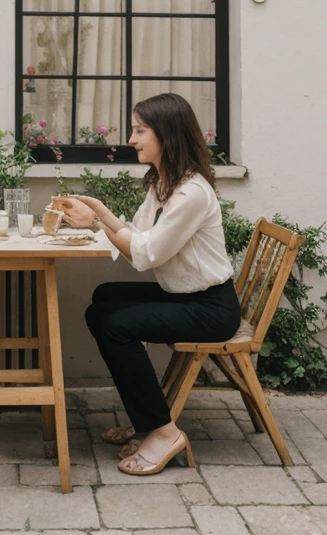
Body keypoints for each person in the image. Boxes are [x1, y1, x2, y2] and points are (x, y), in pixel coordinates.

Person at [59, 93, 241, 477]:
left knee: (115, 325)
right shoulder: (163, 182)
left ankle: (163, 431)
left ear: (167, 134)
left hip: (211, 309)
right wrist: (100, 214)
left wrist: (96, 222)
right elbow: (138, 236)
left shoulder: (190, 193)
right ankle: (145, 416)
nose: (132, 138)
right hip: (185, 295)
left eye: (140, 130)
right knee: (103, 300)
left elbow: (145, 254)